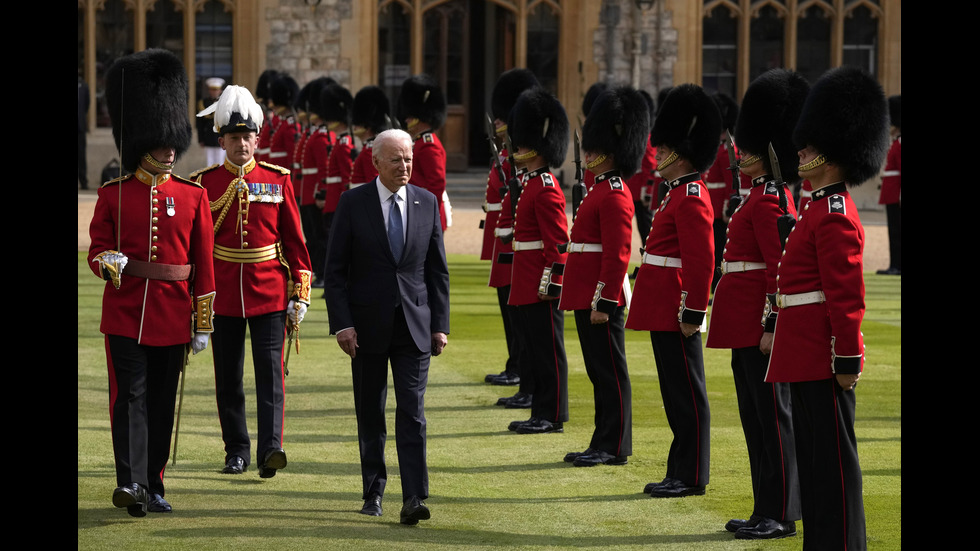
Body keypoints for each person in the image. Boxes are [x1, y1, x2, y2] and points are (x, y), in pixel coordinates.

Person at [766, 66, 889, 551]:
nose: (800, 150)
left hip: (822, 354)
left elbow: (845, 296)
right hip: (804, 350)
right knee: (817, 461)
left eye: (809, 145)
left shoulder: (834, 214)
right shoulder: (817, 207)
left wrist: (846, 359)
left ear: (832, 153)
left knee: (834, 464)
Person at [89, 49, 216, 517]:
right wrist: (110, 263)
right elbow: (97, 248)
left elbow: (204, 264)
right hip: (125, 312)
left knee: (161, 405)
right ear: (143, 142)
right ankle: (131, 483)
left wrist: (203, 323)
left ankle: (154, 480)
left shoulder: (193, 196)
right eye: (161, 143)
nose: (168, 150)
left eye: (171, 144)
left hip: (173, 314)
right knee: (130, 402)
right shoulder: (113, 193)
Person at [324, 128, 450, 525]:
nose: (404, 166)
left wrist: (440, 325)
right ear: (376, 162)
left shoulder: (426, 202)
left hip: (414, 325)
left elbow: (436, 272)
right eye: (396, 159)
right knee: (371, 412)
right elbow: (336, 271)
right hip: (365, 327)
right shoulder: (352, 202)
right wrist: (342, 324)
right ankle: (373, 491)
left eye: (409, 158)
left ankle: (414, 495)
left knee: (412, 413)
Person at [706, 68, 807, 539]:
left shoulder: (770, 200)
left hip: (758, 329)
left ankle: (781, 512)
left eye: (748, 148)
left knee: (773, 421)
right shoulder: (756, 197)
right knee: (756, 423)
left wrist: (771, 324)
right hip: (743, 326)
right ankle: (763, 506)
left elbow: (777, 272)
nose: (739, 154)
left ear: (768, 152)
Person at [192, 84, 313, 480]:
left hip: (269, 290)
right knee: (228, 378)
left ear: (256, 139)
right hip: (223, 290)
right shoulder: (203, 183)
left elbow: (295, 241)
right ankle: (237, 451)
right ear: (222, 141)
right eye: (234, 137)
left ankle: (271, 448)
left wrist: (302, 291)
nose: (241, 143)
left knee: (271, 375)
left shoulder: (277, 180)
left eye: (247, 137)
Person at [626, 84, 720, 498]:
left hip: (677, 308)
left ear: (679, 154)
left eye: (662, 150)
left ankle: (692, 474)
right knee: (674, 391)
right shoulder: (676, 193)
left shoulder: (692, 196)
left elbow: (702, 263)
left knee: (687, 394)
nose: (656, 156)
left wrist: (693, 312)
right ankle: (679, 468)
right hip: (662, 305)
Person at [559, 85, 646, 467]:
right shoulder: (598, 189)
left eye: (594, 149)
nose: (588, 154)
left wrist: (605, 300)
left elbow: (618, 254)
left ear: (610, 153)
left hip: (600, 297)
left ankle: (614, 445)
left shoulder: (614, 193)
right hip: (585, 292)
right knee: (599, 373)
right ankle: (603, 439)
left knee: (610, 373)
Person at [504, 87, 570, 435]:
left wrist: (553, 282)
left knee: (548, 353)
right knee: (535, 349)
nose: (518, 147)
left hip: (540, 283)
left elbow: (557, 243)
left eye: (524, 141)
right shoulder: (530, 182)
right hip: (527, 278)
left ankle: (552, 414)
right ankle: (541, 410)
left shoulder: (545, 186)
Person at [482, 68, 539, 397]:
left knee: (517, 309)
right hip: (500, 237)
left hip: (515, 240)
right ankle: (515, 363)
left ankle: (520, 366)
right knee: (508, 305)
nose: (498, 123)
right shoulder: (505, 154)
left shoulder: (519, 159)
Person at [398, 74, 450, 231]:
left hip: (424, 213)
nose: (406, 119)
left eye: (410, 115)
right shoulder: (419, 143)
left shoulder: (429, 145)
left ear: (420, 115)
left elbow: (436, 184)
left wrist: (428, 214)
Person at [318, 82, 357, 282]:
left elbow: (346, 177)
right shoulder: (340, 142)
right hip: (333, 199)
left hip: (337, 200)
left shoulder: (343, 144)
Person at [349, 85, 391, 190]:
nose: (355, 126)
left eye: (359, 123)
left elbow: (376, 187)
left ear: (368, 127)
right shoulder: (367, 149)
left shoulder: (370, 152)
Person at [877, 95, 901, 275]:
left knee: (896, 231)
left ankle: (896, 266)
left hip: (896, 194)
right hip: (892, 192)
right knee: (894, 231)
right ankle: (895, 264)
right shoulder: (897, 141)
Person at [197, 77, 226, 166]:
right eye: (212, 90)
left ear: (220, 91)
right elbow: (200, 123)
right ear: (209, 90)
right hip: (208, 136)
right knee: (209, 162)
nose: (214, 92)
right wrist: (201, 139)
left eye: (216, 90)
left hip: (220, 136)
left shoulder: (224, 102)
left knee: (220, 161)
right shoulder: (203, 103)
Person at [78, 72, 90, 189]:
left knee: (81, 157)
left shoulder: (84, 86)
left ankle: (83, 182)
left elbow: (86, 105)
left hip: (80, 128)